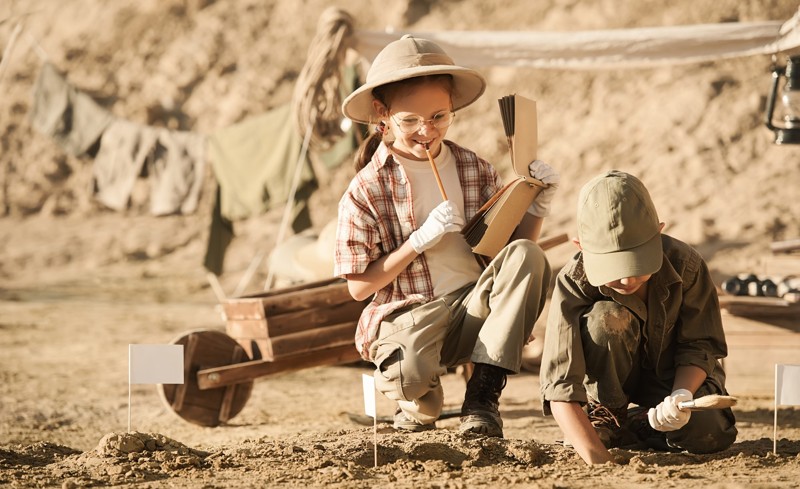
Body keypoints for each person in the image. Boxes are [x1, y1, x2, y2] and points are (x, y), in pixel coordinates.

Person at [334, 35, 559, 438]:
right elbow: (357, 287)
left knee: (530, 255)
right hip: (410, 316)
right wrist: (417, 241)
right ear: (382, 114)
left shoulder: (474, 168)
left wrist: (536, 205)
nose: (427, 130)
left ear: (453, 107)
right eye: (410, 121)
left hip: (474, 311)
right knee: (414, 386)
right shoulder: (366, 189)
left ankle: (482, 397)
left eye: (439, 116)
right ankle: (418, 402)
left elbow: (510, 253)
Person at [539, 170, 737, 464]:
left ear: (658, 232)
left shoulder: (687, 265)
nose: (627, 279)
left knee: (710, 433)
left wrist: (681, 396)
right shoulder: (573, 281)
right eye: (612, 269)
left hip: (673, 382)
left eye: (637, 264)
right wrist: (597, 460)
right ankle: (608, 416)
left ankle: (641, 423)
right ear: (581, 247)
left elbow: (700, 346)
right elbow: (560, 384)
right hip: (608, 387)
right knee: (606, 318)